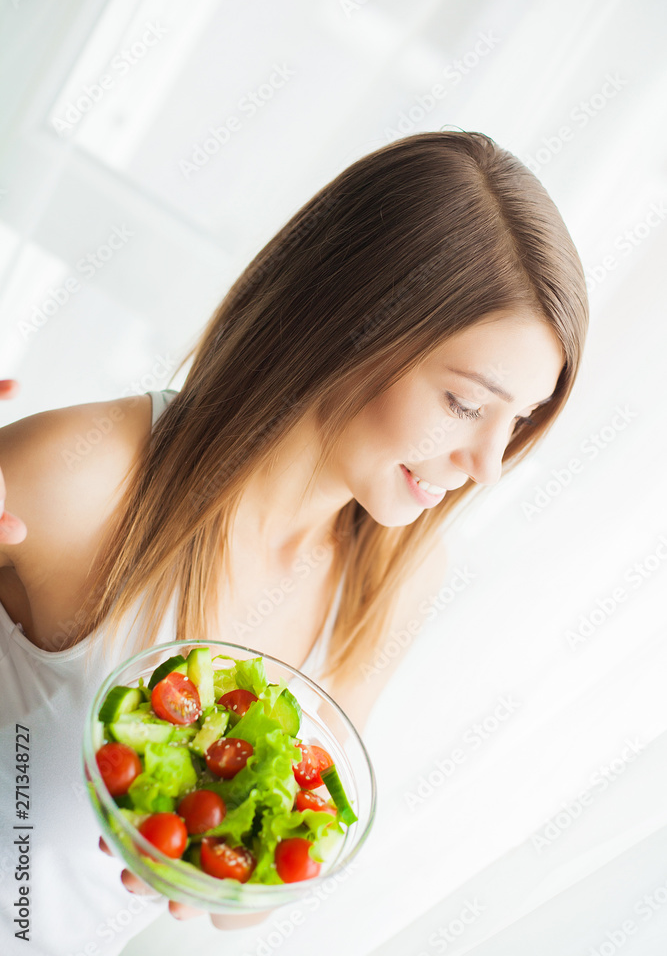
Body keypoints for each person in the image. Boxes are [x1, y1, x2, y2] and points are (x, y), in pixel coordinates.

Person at [0, 130, 588, 953]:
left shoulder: (395, 578)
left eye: (517, 420)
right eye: (463, 403)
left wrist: (223, 870)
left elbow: (266, 885)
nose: (488, 466)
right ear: (347, 324)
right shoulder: (86, 477)